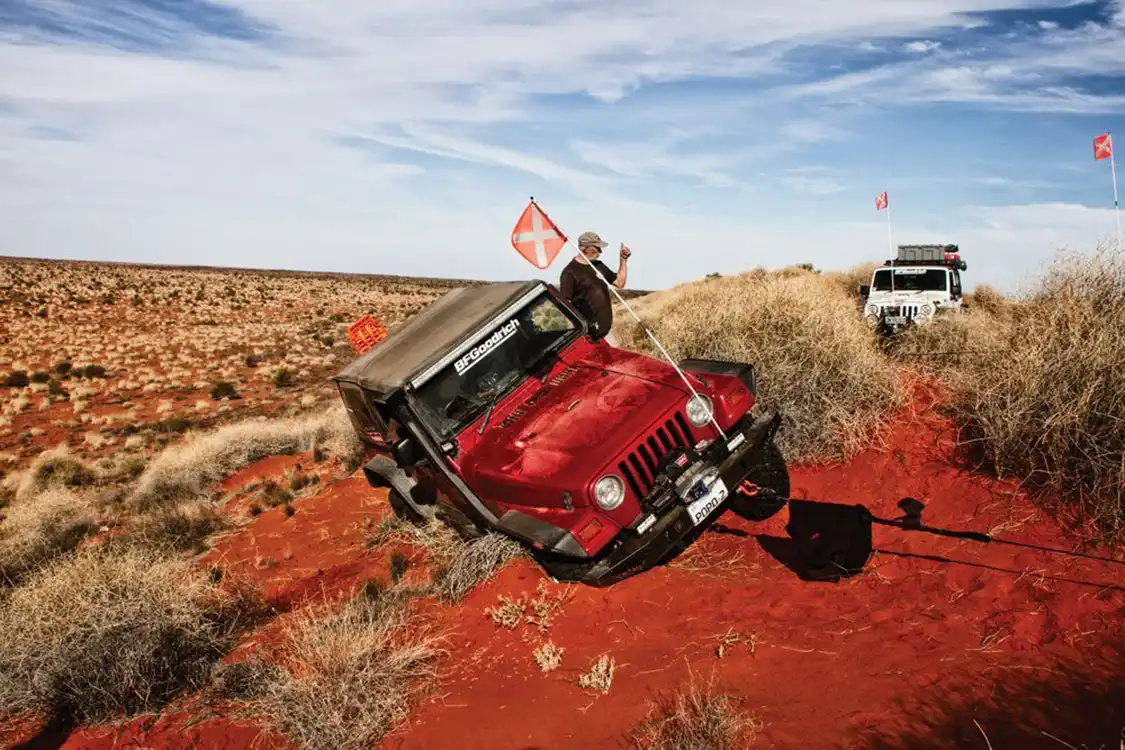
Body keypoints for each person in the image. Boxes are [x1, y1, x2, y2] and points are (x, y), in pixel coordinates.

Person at [559, 230, 631, 346]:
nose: (600, 251)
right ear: (585, 248)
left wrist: (623, 260)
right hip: (590, 338)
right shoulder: (569, 273)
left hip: (609, 333)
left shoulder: (599, 266)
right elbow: (565, 309)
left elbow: (620, 282)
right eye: (596, 248)